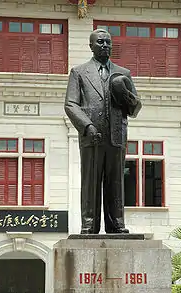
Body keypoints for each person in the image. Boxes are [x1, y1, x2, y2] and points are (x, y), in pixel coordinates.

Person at [64, 29, 142, 234]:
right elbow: (71, 104)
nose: (105, 45)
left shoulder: (123, 74)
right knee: (90, 180)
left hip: (116, 135)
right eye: (100, 42)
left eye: (108, 42)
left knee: (115, 180)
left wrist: (127, 96)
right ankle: (89, 224)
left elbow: (134, 109)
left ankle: (116, 223)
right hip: (92, 135)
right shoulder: (79, 72)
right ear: (91, 46)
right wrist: (87, 126)